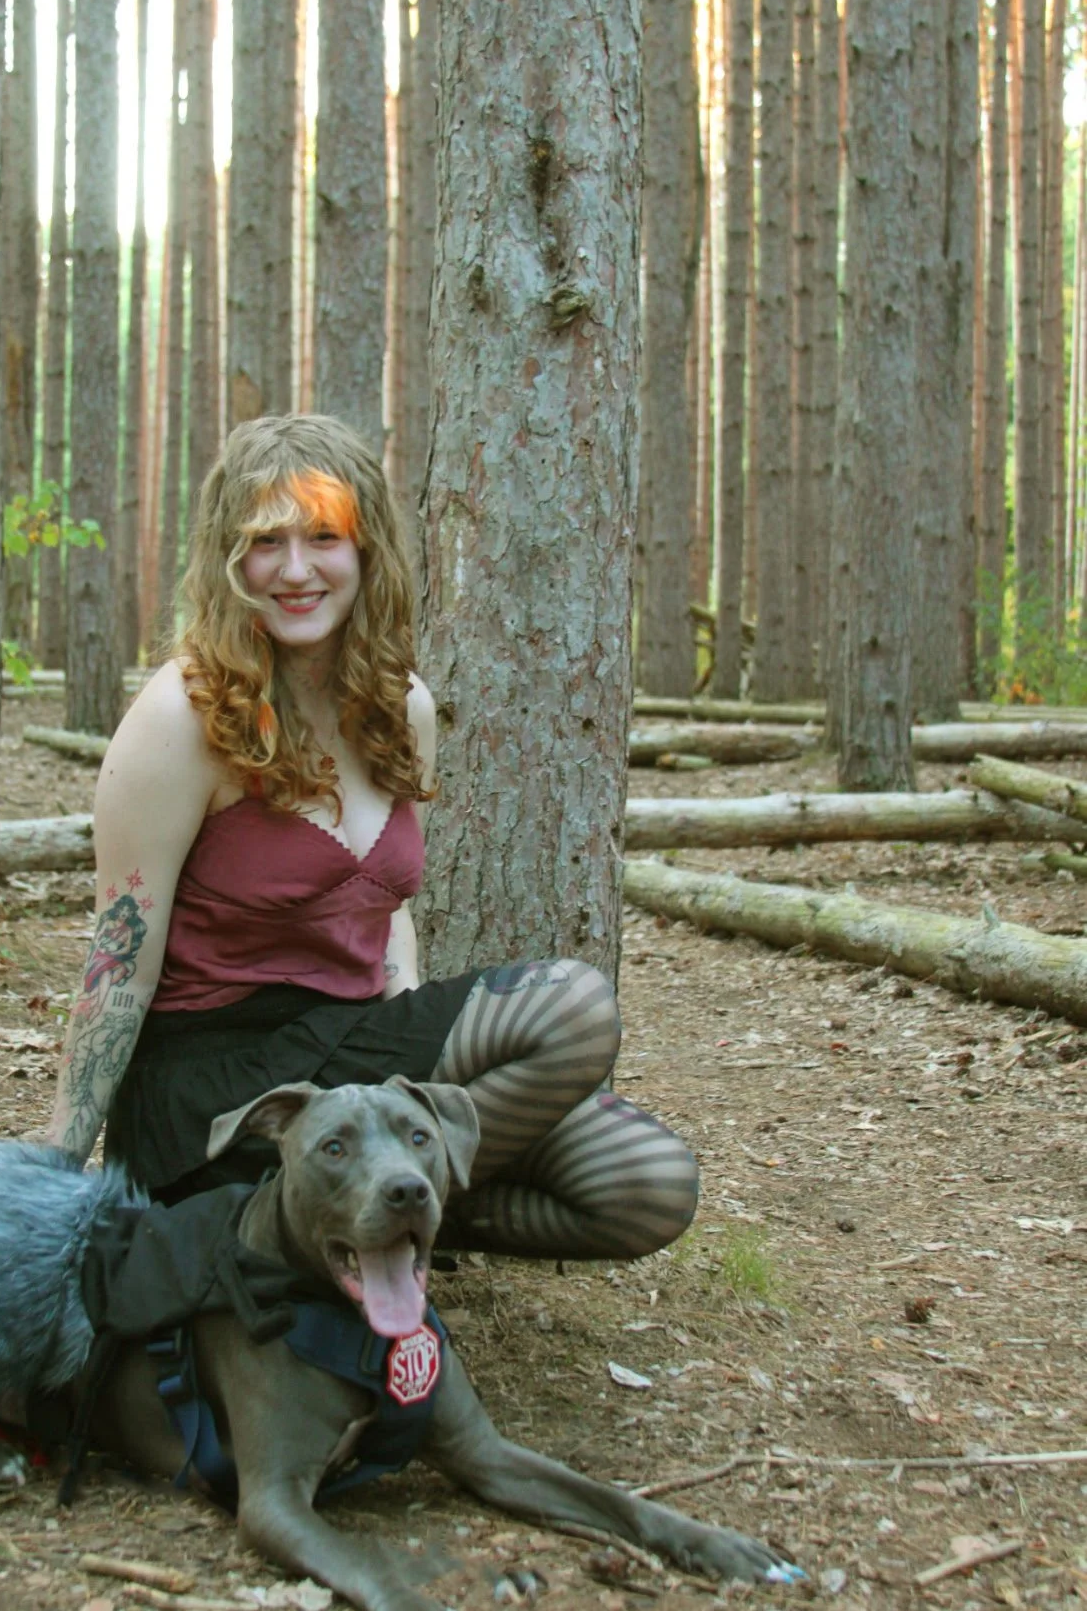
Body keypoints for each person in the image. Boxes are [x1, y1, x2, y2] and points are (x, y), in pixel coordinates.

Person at [43, 413, 698, 1262]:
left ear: (365, 549)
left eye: (323, 536)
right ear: (228, 559)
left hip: (354, 1070)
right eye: (265, 541)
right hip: (219, 1096)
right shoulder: (183, 715)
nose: (295, 569)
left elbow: (385, 906)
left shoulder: (399, 707)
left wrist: (409, 1056)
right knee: (571, 1006)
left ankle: (354, 1224)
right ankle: (291, 1219)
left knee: (644, 1182)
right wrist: (52, 1181)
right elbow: (117, 965)